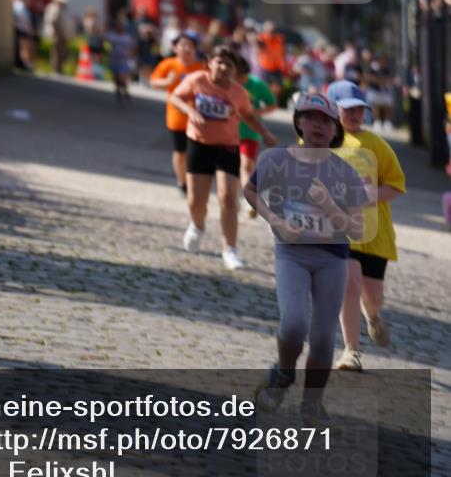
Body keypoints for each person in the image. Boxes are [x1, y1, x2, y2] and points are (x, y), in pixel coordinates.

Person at [244, 94, 369, 420]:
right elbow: (251, 191)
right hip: (292, 254)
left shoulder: (346, 174)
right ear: (298, 122)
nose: (318, 125)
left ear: (335, 130)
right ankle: (283, 375)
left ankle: (312, 402)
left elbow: (356, 230)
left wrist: (328, 205)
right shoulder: (277, 160)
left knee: (324, 337)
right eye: (311, 118)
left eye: (326, 120)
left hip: (332, 258)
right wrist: (276, 221)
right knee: (295, 322)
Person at [171, 46, 277, 271]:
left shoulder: (238, 92)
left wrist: (266, 133)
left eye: (229, 65)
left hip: (227, 147)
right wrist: (190, 112)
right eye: (219, 62)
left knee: (228, 197)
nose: (224, 68)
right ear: (209, 63)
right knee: (195, 200)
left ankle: (230, 248)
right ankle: (197, 226)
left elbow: (248, 115)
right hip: (199, 144)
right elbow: (176, 97)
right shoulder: (197, 80)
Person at [329, 82, 406, 372]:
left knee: (372, 296)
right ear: (334, 108)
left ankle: (373, 317)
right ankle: (351, 350)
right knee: (349, 284)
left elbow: (396, 185)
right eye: (348, 108)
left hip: (373, 233)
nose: (355, 114)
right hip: (338, 231)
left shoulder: (376, 145)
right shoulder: (321, 142)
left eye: (360, 109)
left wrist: (366, 196)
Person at [150, 32, 204, 196]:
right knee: (180, 151)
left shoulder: (201, 67)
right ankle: (182, 182)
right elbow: (153, 81)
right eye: (182, 45)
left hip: (198, 117)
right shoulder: (169, 64)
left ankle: (193, 180)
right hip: (177, 116)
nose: (186, 48)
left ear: (195, 48)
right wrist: (167, 82)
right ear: (175, 47)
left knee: (195, 152)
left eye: (190, 45)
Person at [232, 53, 277, 216]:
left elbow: (273, 104)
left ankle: (247, 200)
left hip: (251, 132)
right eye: (236, 77)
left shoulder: (257, 84)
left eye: (242, 77)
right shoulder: (227, 84)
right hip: (229, 132)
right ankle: (234, 197)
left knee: (246, 165)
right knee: (231, 166)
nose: (239, 81)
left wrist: (256, 112)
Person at [106, 12, 135, 104]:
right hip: (114, 59)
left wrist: (130, 54)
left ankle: (125, 89)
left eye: (121, 26)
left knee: (122, 76)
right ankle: (118, 90)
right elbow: (105, 43)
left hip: (123, 60)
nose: (120, 28)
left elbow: (132, 47)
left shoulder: (127, 37)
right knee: (116, 77)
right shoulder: (111, 35)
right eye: (118, 26)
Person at [43, 0, 74, 74]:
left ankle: (59, 69)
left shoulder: (61, 9)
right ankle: (56, 69)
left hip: (61, 34)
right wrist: (57, 32)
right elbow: (53, 21)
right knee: (57, 52)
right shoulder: (54, 8)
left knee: (62, 52)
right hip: (57, 34)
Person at [256, 21, 287, 102]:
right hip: (265, 66)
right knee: (265, 85)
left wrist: (284, 62)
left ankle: (273, 100)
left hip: (277, 66)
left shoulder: (279, 39)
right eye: (270, 30)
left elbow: (282, 51)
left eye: (274, 30)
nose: (273, 32)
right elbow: (258, 45)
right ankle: (266, 100)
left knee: (278, 86)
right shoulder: (262, 38)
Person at [12, 0, 36, 70]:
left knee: (25, 48)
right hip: (21, 30)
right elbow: (21, 19)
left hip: (23, 30)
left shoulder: (23, 7)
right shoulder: (19, 7)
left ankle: (24, 63)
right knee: (23, 48)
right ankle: (22, 63)